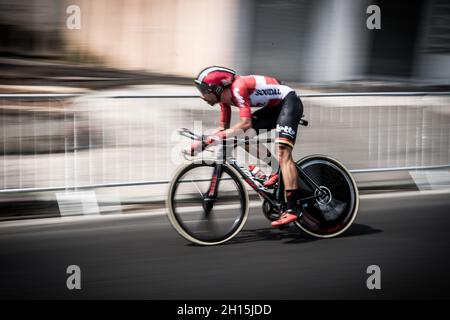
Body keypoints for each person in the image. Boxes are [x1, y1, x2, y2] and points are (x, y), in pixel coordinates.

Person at [189, 66, 304, 227]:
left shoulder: (238, 87)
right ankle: (276, 171)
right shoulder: (223, 99)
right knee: (241, 137)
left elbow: (245, 123)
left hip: (288, 102)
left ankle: (293, 209)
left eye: (203, 90)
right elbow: (223, 129)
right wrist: (203, 141)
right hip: (274, 107)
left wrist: (211, 139)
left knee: (283, 151)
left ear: (216, 88)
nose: (202, 96)